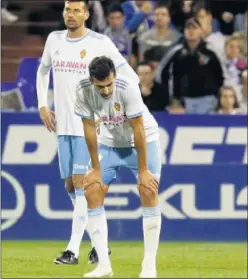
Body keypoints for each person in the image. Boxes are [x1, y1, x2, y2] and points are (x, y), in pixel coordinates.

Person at [36, 0, 139, 266]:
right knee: (71, 186)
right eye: (68, 10)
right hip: (62, 127)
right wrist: (42, 105)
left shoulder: (100, 42)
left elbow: (128, 74)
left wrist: (115, 104)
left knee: (83, 185)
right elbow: (42, 70)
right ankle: (99, 243)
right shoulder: (54, 39)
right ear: (64, 12)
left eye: (76, 10)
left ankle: (72, 250)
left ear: (86, 14)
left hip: (88, 125)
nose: (71, 15)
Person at [74, 56, 161, 278]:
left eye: (109, 84)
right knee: (92, 190)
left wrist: (143, 170)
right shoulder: (83, 89)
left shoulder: (127, 88)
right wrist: (94, 167)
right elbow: (89, 130)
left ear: (115, 76)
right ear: (91, 80)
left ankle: (149, 266)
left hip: (143, 141)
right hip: (109, 144)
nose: (105, 91)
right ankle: (104, 265)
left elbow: (139, 129)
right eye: (100, 86)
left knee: (148, 191)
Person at [156, 17, 224, 114]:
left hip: (208, 100)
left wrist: (216, 94)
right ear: (184, 31)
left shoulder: (211, 52)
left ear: (201, 31)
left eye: (195, 28)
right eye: (188, 28)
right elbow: (161, 74)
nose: (191, 31)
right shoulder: (176, 52)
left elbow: (221, 75)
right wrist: (174, 98)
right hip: (184, 101)